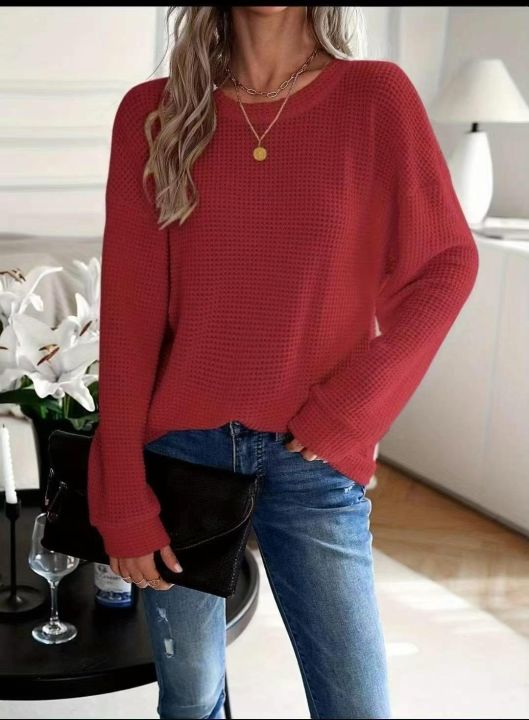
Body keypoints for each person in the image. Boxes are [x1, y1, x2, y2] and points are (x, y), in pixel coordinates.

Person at [87, 6, 479, 719]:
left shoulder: (375, 98)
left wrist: (350, 409)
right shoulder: (152, 112)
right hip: (179, 458)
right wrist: (121, 497)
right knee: (190, 701)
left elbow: (446, 263)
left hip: (312, 457)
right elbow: (128, 322)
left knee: (355, 707)